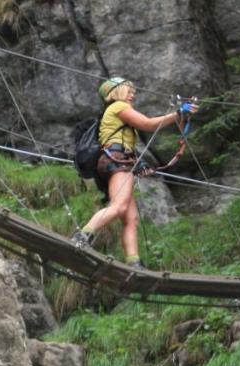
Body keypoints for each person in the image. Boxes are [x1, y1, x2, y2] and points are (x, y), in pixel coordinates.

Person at [70, 77, 184, 268]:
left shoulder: (114, 112)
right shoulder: (118, 106)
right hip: (117, 161)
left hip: (116, 161)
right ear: (118, 92)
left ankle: (134, 262)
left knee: (131, 218)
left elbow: (124, 145)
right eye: (129, 91)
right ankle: (82, 237)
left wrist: (139, 165)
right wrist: (177, 114)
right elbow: (148, 124)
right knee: (120, 207)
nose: (133, 94)